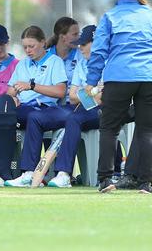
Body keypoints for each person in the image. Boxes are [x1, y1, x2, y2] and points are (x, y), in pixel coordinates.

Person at [86, 0, 152, 194]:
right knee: (148, 131)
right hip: (150, 76)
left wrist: (91, 82)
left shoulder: (110, 17)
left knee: (110, 128)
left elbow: (99, 52)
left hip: (119, 75)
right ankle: (146, 182)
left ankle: (105, 180)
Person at [0, 26, 67, 187]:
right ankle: (0, 173)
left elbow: (60, 91)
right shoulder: (22, 64)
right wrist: (13, 98)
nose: (28, 50)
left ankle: (28, 173)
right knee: (1, 108)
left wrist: (32, 86)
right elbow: (11, 90)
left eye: (32, 46)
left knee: (30, 116)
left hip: (45, 109)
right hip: (22, 108)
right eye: (25, 47)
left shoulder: (54, 61)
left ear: (43, 43)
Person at [47, 25, 101, 187]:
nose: (80, 48)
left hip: (107, 110)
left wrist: (87, 94)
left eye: (84, 44)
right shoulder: (82, 63)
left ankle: (63, 173)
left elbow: (104, 98)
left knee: (73, 119)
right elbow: (71, 97)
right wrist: (93, 92)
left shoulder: (110, 61)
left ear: (96, 43)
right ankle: (44, 173)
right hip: (83, 108)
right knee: (43, 117)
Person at [46, 17, 82, 104]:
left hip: (75, 104)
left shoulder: (82, 55)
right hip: (48, 106)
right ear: (62, 37)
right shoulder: (45, 56)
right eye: (75, 34)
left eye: (79, 34)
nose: (79, 38)